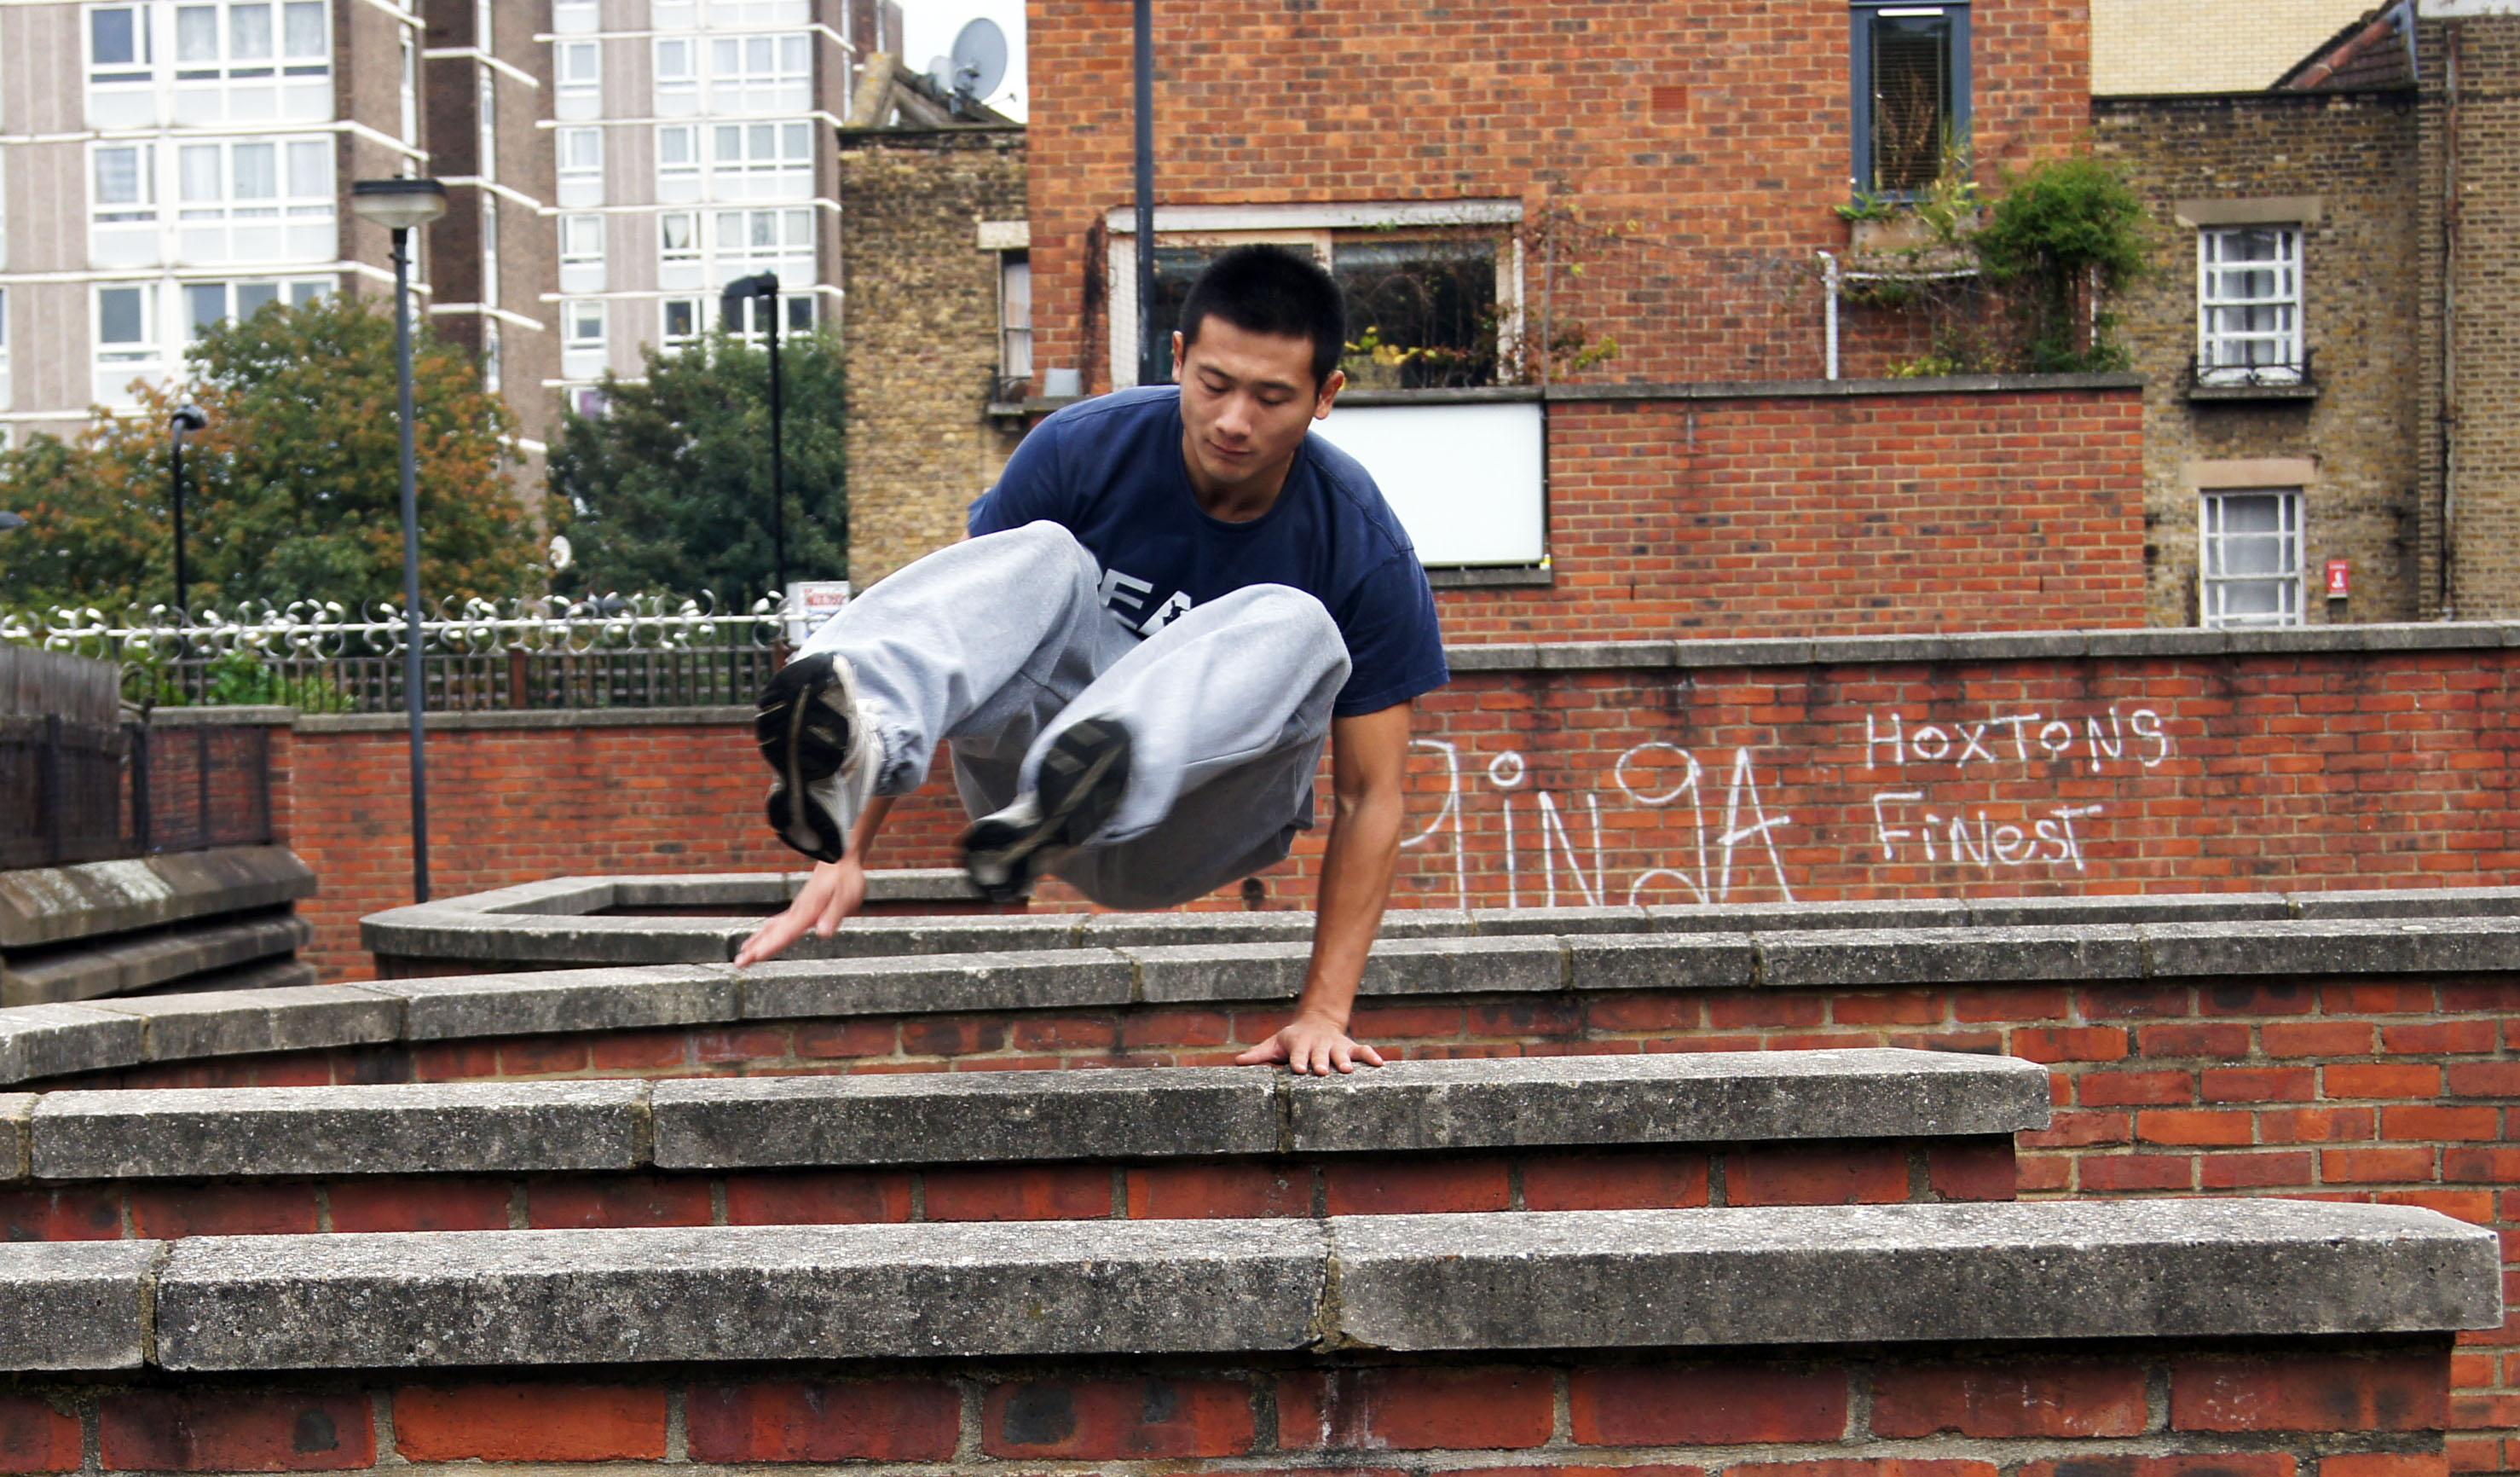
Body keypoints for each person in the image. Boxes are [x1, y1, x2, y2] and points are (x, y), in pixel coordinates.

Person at [734, 245, 1449, 1074]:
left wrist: (1323, 1010)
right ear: (1177, 359)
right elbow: (961, 628)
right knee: (1042, 553)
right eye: (1213, 384)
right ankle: (874, 747)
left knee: (1294, 620)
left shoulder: (1359, 542)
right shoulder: (1081, 450)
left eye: (1271, 397)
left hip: (1196, 818)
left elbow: (1371, 797)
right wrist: (847, 849)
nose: (1232, 421)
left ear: (1326, 397)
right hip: (1021, 788)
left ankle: (1111, 765)